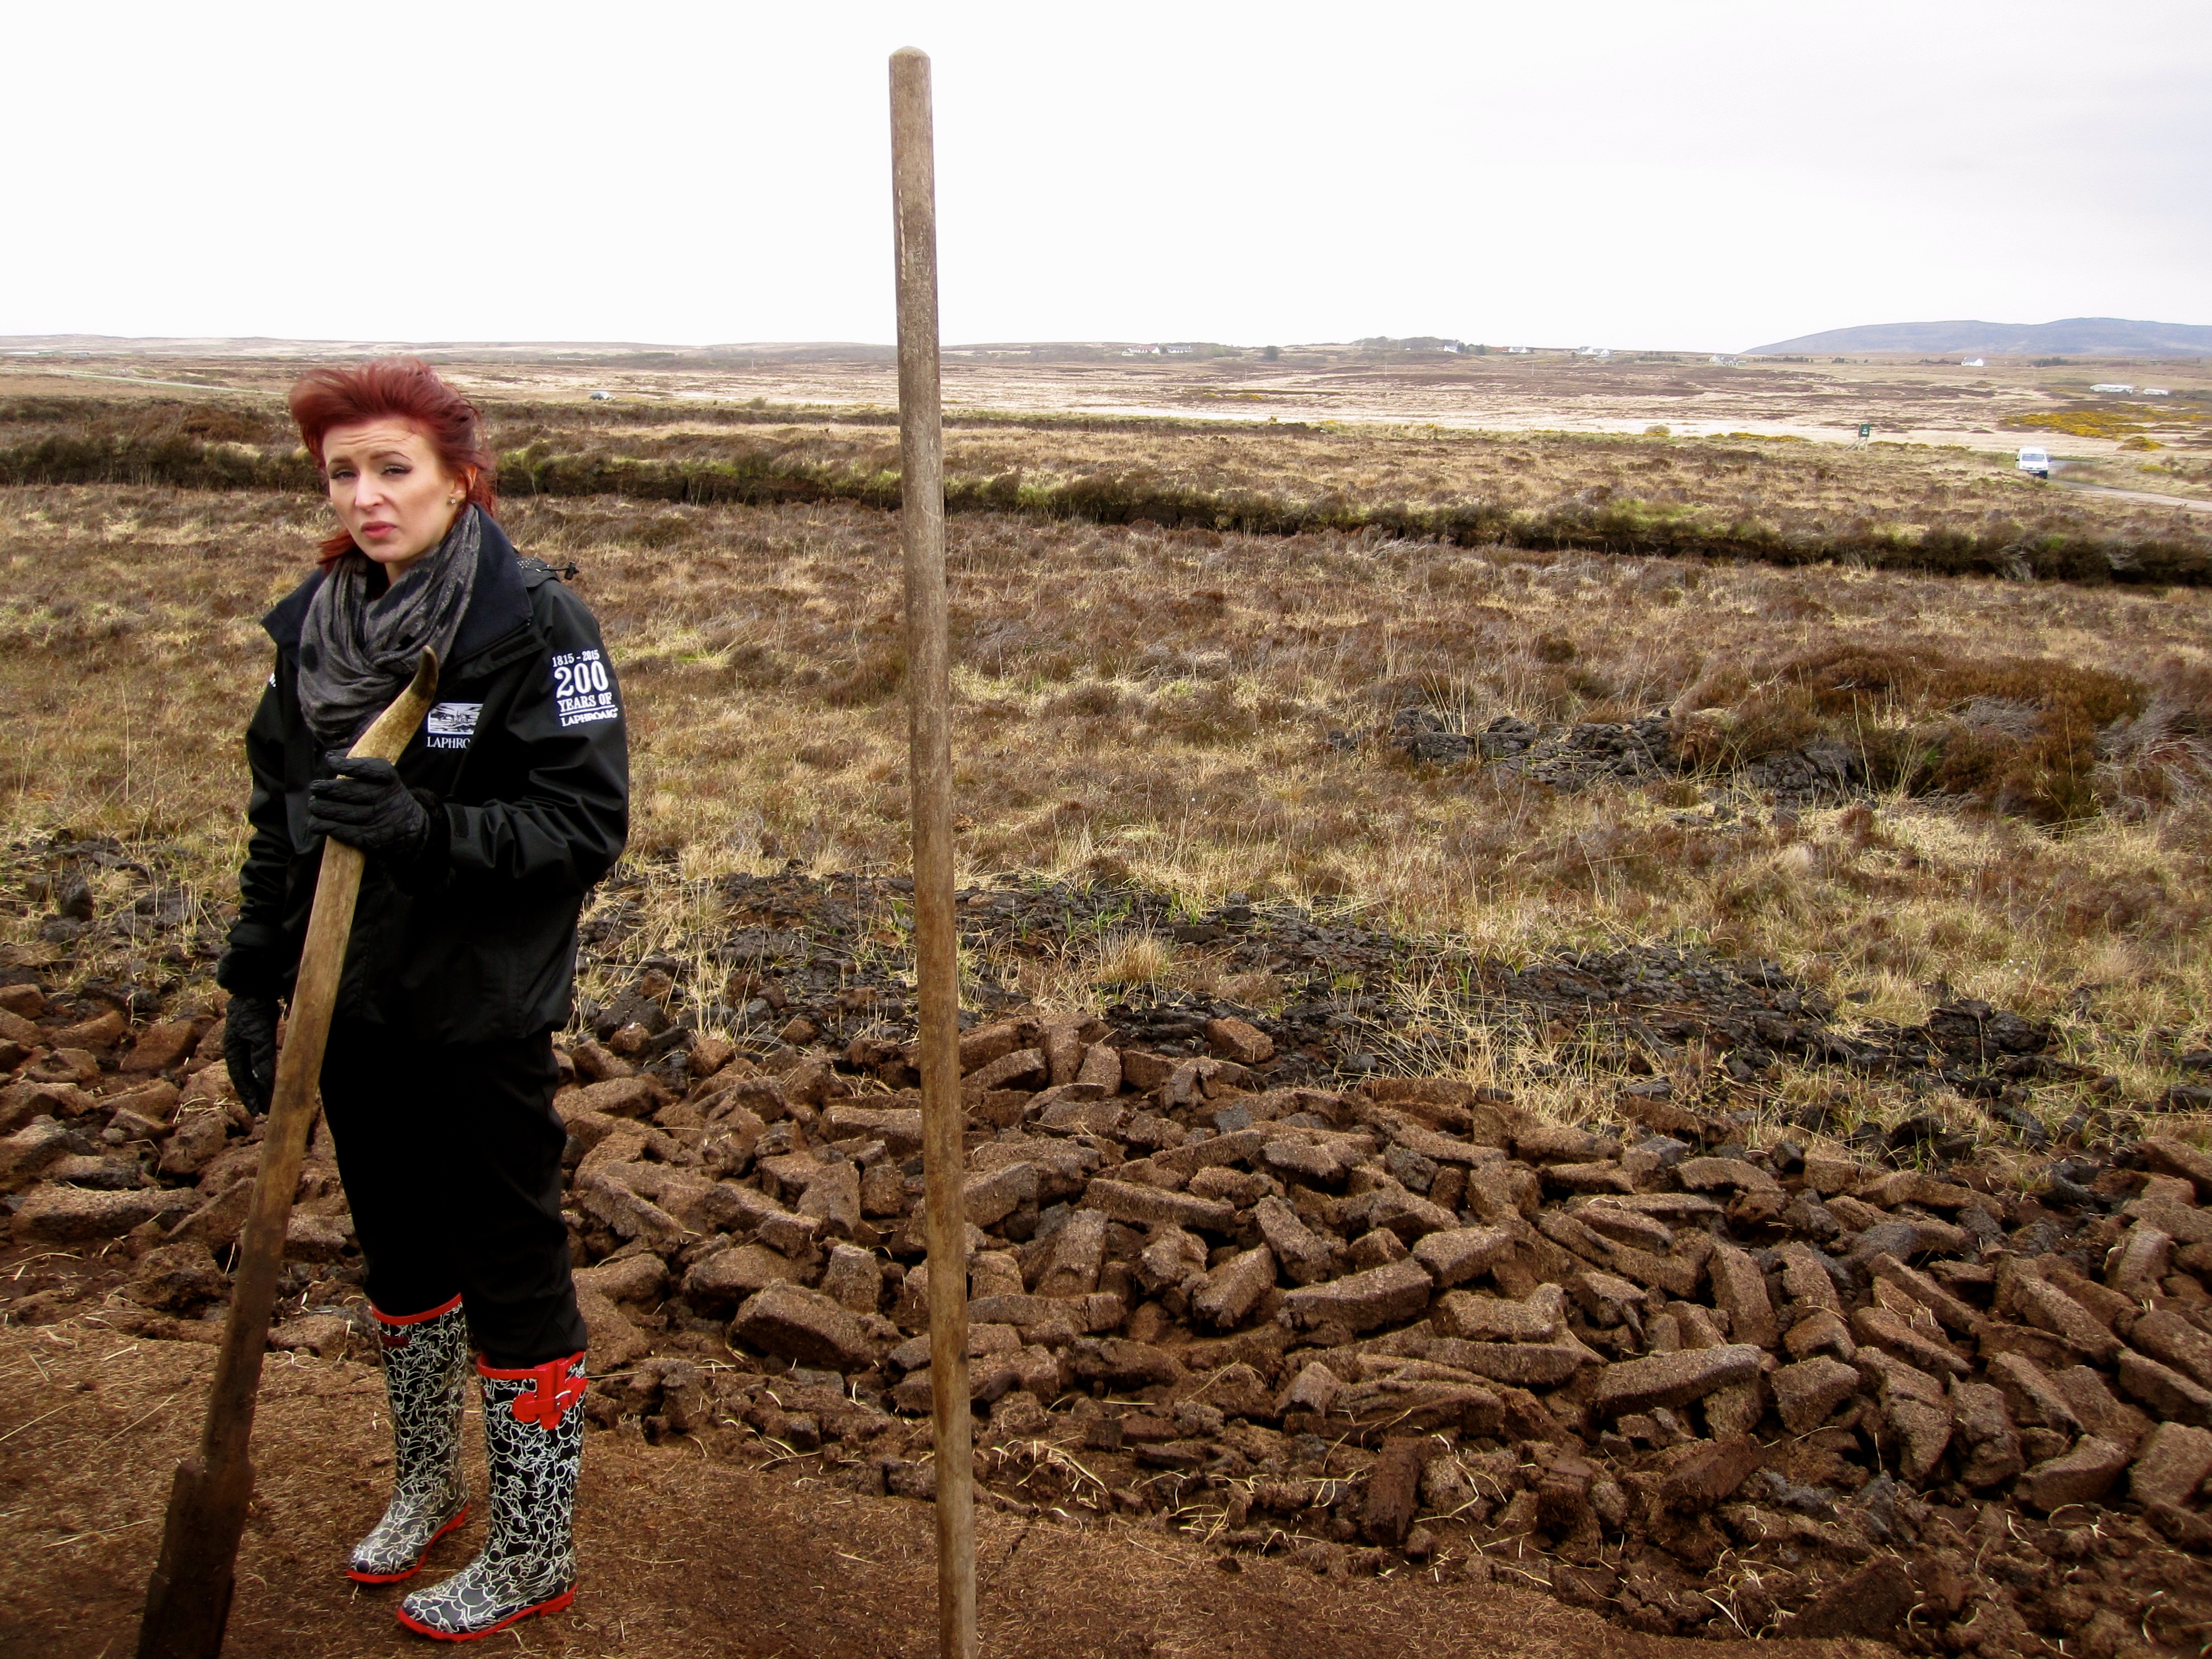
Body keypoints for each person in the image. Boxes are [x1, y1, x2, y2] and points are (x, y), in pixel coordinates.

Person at [217, 358, 628, 1641]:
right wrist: (252, 980)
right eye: (342, 473)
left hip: (476, 1008)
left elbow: (583, 825)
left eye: (393, 468)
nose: (366, 496)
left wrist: (424, 832)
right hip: (346, 1002)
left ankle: (533, 1545)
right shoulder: (314, 629)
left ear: (460, 477)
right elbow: (279, 827)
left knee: (508, 1265)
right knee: (398, 1252)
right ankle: (429, 1488)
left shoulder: (536, 624)